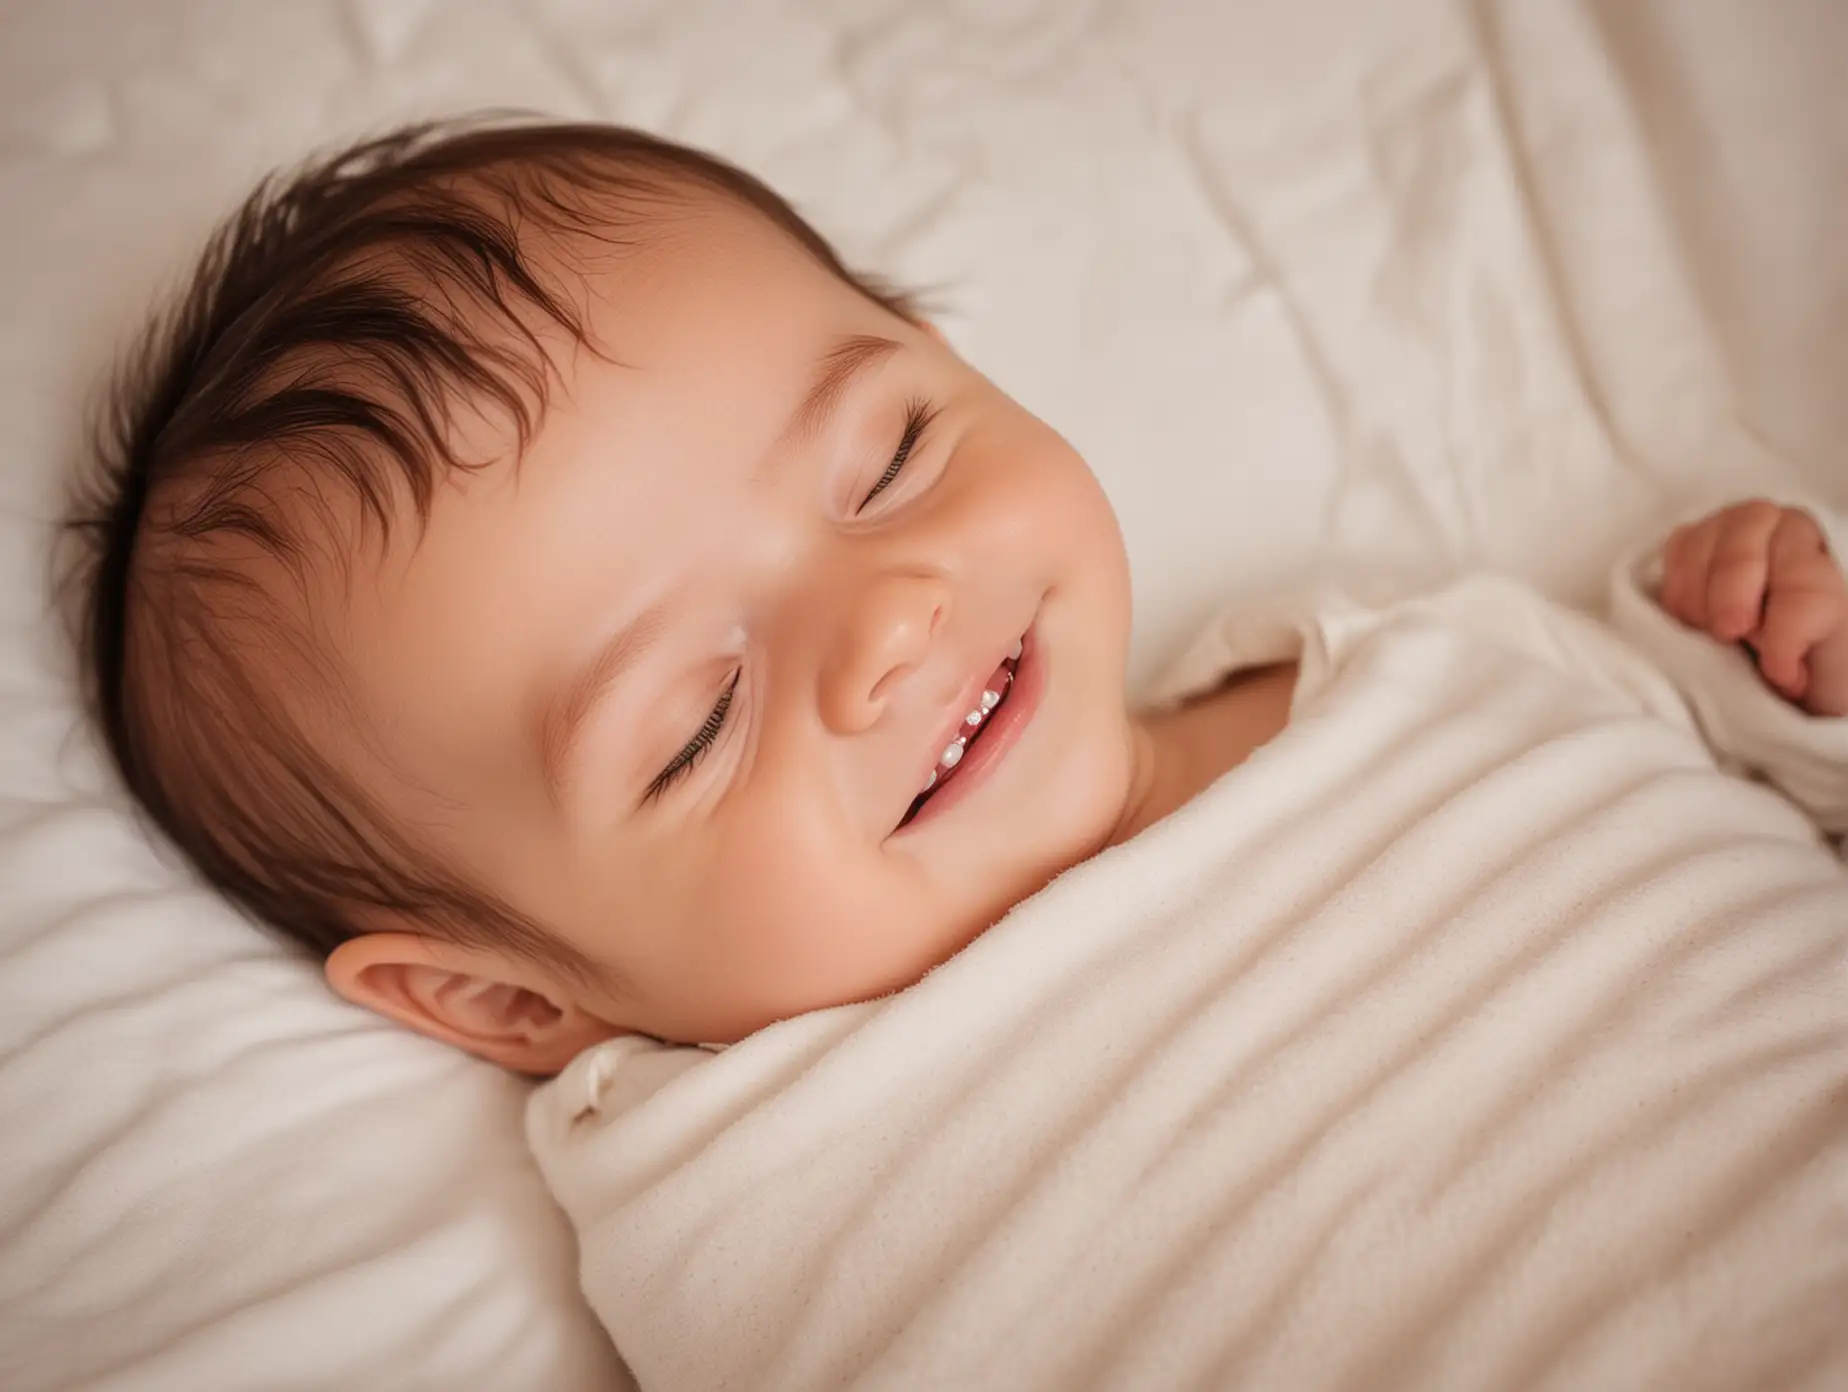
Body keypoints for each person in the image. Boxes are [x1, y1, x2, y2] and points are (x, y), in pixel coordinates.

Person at [72, 118, 1846, 1080]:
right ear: (513, 1005)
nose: (891, 617)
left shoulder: (1423, 657)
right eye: (697, 724)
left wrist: (1779, 662)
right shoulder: (740, 1168)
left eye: (890, 457)